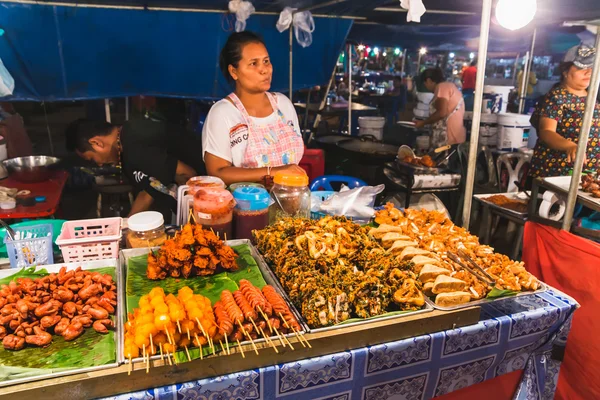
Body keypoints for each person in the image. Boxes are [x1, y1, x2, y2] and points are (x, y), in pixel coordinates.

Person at [202, 31, 306, 186]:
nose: (264, 70)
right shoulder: (223, 113)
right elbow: (217, 172)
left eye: (266, 61)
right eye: (253, 63)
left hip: (290, 200)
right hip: (247, 206)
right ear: (234, 71)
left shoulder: (283, 105)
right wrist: (274, 171)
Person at [65, 117, 206, 217]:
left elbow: (188, 174)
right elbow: (149, 188)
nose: (99, 164)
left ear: (97, 143)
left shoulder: (134, 145)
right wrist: (127, 225)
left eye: (92, 158)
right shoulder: (125, 142)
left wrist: (192, 219)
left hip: (208, 200)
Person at [528, 43, 599, 179]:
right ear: (565, 71)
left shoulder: (593, 96)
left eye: (592, 67)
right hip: (557, 173)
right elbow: (547, 131)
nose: (589, 72)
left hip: (588, 174)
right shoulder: (557, 97)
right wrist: (570, 146)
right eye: (581, 68)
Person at [414, 68, 466, 147]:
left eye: (425, 83)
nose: (425, 86)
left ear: (428, 80)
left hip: (448, 138)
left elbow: (441, 113)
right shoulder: (449, 86)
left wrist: (423, 123)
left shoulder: (442, 87)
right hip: (455, 137)